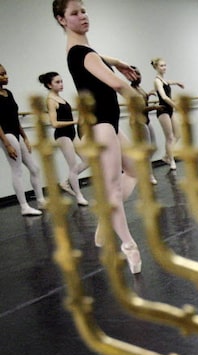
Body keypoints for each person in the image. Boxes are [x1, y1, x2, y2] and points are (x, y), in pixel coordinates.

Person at [53, 0, 143, 274]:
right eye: (74, 13)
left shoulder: (81, 51)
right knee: (114, 187)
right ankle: (128, 245)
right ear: (61, 20)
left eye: (83, 10)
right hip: (100, 125)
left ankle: (106, 213)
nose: (82, 16)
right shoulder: (80, 51)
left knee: (135, 171)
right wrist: (138, 97)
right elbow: (116, 84)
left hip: (107, 123)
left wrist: (117, 61)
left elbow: (96, 58)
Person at [0, 64, 47, 216]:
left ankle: (40, 200)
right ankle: (24, 206)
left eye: (5, 73)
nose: (5, 76)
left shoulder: (8, 93)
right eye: (1, 74)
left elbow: (15, 117)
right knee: (17, 170)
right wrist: (7, 144)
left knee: (34, 168)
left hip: (16, 133)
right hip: (6, 135)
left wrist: (25, 137)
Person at [39, 70, 89, 205]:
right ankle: (79, 196)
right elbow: (54, 123)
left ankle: (66, 182)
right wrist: (74, 122)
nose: (61, 84)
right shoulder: (50, 101)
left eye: (61, 81)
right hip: (62, 135)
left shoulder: (60, 98)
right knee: (73, 166)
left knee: (88, 159)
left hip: (71, 133)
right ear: (49, 85)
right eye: (57, 82)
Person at [151, 57, 184, 171]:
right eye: (161, 66)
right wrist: (176, 106)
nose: (164, 67)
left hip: (170, 110)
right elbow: (164, 97)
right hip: (163, 110)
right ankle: (171, 160)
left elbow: (167, 83)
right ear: (156, 67)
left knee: (178, 134)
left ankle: (166, 156)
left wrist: (177, 82)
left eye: (165, 65)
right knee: (169, 137)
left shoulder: (163, 80)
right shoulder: (157, 80)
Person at [130, 67, 160, 184]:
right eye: (136, 74)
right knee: (147, 149)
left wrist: (148, 94)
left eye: (139, 74)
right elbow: (140, 108)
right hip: (138, 121)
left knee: (152, 147)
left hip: (146, 119)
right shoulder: (131, 89)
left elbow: (143, 100)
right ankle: (149, 175)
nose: (139, 76)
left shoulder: (139, 88)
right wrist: (155, 107)